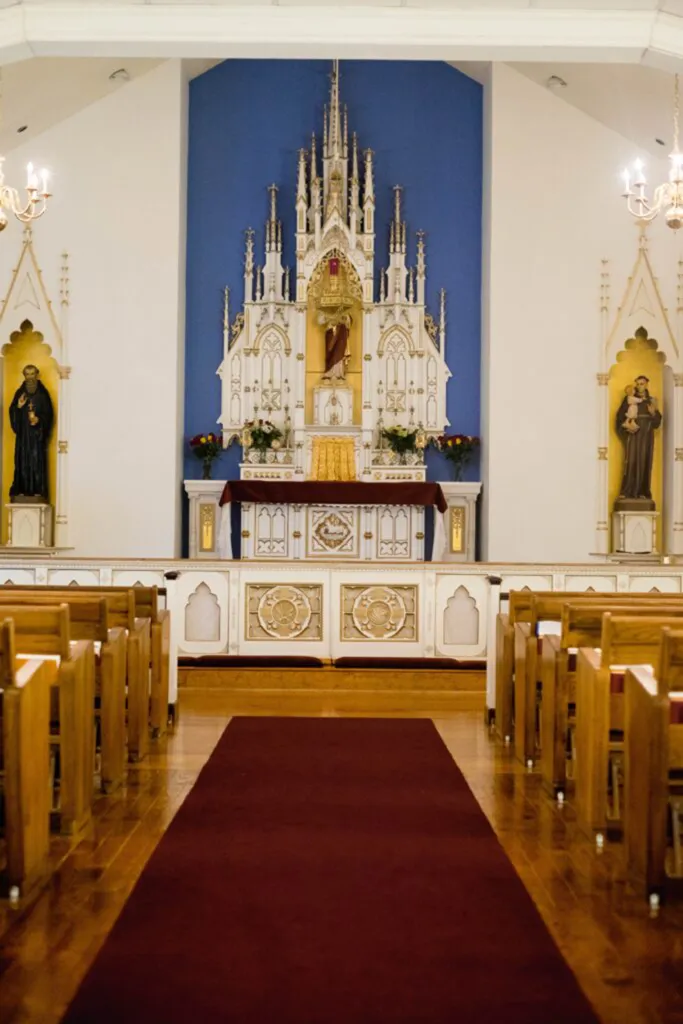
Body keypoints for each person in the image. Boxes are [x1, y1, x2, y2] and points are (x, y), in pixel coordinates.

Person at [9, 363, 54, 502]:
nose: (30, 377)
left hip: (36, 439)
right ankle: (21, 490)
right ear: (24, 375)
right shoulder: (20, 393)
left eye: (32, 374)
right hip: (23, 439)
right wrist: (18, 407)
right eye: (27, 374)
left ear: (37, 374)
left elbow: (49, 414)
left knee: (36, 462)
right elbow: (12, 412)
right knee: (22, 463)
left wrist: (39, 420)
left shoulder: (43, 394)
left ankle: (37, 491)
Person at [616, 374, 661, 502]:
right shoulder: (629, 399)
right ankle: (628, 491)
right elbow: (620, 416)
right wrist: (625, 426)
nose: (640, 386)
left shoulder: (651, 401)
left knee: (645, 461)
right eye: (638, 384)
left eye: (642, 384)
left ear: (647, 384)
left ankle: (643, 491)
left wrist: (653, 414)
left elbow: (657, 423)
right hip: (633, 434)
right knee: (631, 461)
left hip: (646, 436)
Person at [320, 311, 351, 382]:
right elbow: (320, 321)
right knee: (331, 355)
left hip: (340, 340)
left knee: (339, 355)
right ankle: (329, 372)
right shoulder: (329, 319)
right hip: (331, 339)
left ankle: (339, 374)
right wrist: (328, 319)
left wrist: (343, 317)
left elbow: (348, 322)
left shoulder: (343, 323)